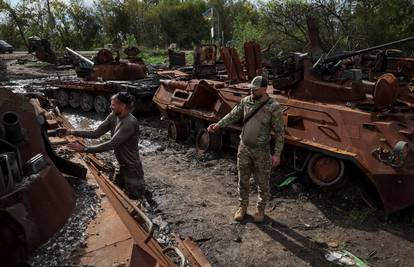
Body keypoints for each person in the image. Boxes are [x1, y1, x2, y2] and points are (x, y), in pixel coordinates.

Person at [207, 76, 284, 223]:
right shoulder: (246, 101)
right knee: (243, 179)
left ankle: (260, 209)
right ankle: (242, 207)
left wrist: (277, 154)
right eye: (251, 88)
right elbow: (233, 115)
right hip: (244, 148)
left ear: (264, 89)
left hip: (261, 150)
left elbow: (280, 132)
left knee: (262, 182)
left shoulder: (273, 107)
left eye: (255, 89)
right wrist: (218, 125)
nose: (252, 91)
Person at [63, 92, 146, 199]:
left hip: (132, 168)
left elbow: (111, 144)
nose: (110, 107)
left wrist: (84, 149)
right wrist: (72, 132)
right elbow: (95, 133)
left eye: (113, 105)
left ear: (123, 106)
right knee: (120, 194)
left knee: (136, 198)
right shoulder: (113, 115)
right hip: (121, 165)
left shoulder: (129, 123)